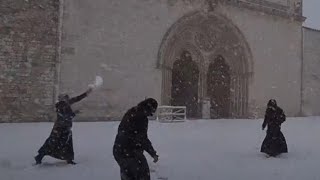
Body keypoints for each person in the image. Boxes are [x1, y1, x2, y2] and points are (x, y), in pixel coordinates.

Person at [34, 88, 92, 165]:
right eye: (66, 97)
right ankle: (39, 156)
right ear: (62, 99)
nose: (68, 99)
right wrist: (74, 113)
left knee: (67, 144)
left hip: (66, 128)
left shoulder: (66, 103)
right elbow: (65, 117)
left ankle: (69, 159)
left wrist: (86, 93)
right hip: (59, 129)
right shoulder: (60, 106)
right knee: (52, 144)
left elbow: (76, 99)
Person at [113, 98, 159, 180]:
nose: (150, 115)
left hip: (119, 151)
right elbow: (143, 139)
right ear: (149, 109)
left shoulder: (131, 111)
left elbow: (125, 131)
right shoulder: (141, 118)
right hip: (130, 152)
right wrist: (153, 153)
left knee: (128, 175)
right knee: (143, 174)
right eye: (151, 113)